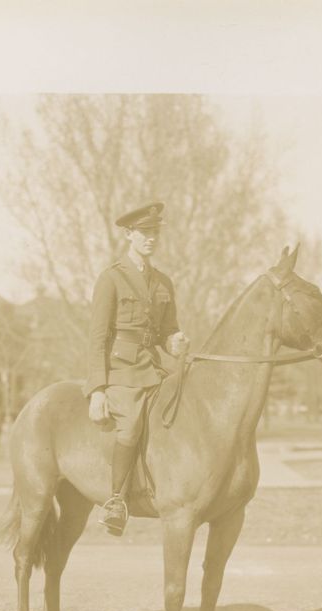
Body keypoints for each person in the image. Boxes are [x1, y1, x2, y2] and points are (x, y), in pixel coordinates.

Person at [83, 202, 190, 535]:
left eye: (155, 232)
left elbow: (166, 331)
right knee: (129, 427)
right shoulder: (111, 278)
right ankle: (116, 501)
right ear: (129, 235)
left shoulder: (163, 283)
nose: (151, 239)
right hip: (121, 373)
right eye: (145, 233)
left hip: (154, 369)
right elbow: (97, 338)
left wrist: (175, 342)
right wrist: (97, 390)